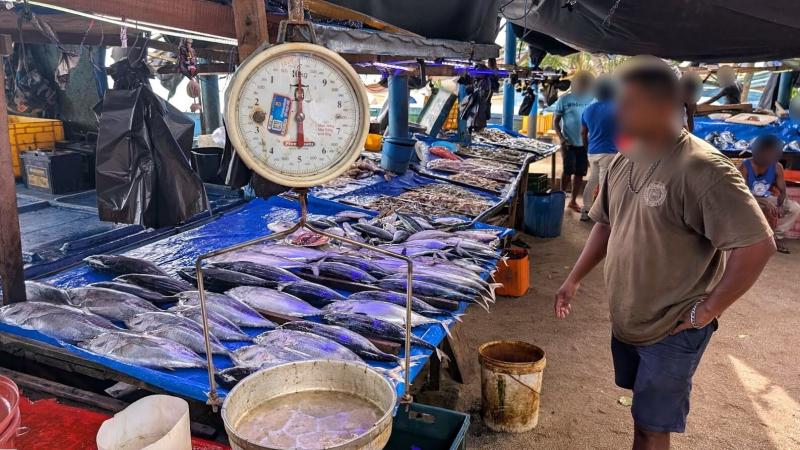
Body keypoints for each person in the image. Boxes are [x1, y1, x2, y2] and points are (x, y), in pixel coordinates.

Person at [554, 56, 775, 450]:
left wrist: (705, 311)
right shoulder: (627, 156)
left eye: (629, 103)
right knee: (641, 415)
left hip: (672, 326)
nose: (618, 111)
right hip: (630, 317)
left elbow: (757, 246)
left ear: (664, 104)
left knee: (653, 427)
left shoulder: (703, 169)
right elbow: (606, 222)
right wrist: (574, 278)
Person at [738, 134, 800, 253]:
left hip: (766, 199)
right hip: (747, 200)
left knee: (794, 208)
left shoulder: (777, 167)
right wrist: (764, 202)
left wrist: (780, 205)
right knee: (755, 209)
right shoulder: (744, 166)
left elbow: (782, 191)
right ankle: (752, 239)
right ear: (758, 152)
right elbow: (742, 194)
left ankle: (774, 238)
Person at [553, 71, 595, 212]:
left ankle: (572, 201)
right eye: (580, 84)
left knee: (580, 172)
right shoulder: (564, 100)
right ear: (575, 85)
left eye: (586, 85)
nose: (583, 87)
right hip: (568, 143)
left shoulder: (592, 99)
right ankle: (559, 198)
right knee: (567, 171)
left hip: (585, 144)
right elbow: (556, 121)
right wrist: (562, 138)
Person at [580, 76, 618, 221]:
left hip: (592, 151)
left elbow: (583, 132)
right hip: (610, 152)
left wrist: (586, 149)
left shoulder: (588, 109)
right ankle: (602, 215)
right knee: (604, 184)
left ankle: (586, 209)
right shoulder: (617, 108)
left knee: (592, 181)